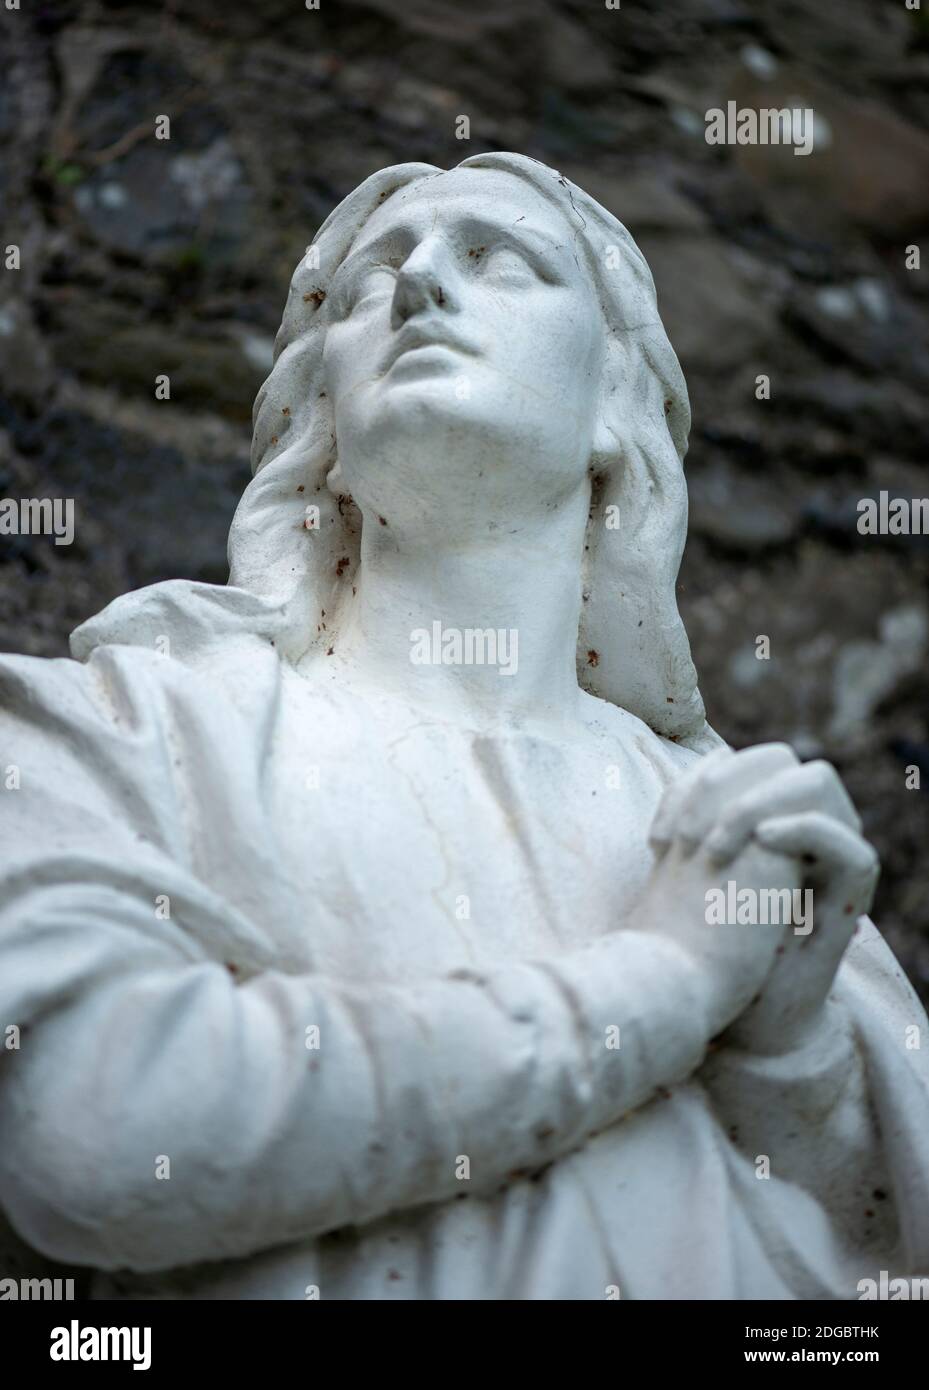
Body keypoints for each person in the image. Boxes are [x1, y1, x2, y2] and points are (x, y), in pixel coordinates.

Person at [1, 154, 927, 1299]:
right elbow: (97, 1131)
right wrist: (667, 980)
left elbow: (881, 1269)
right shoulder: (135, 725)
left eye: (501, 261)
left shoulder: (747, 832)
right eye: (366, 282)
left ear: (611, 401)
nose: (419, 285)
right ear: (323, 416)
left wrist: (792, 1060)